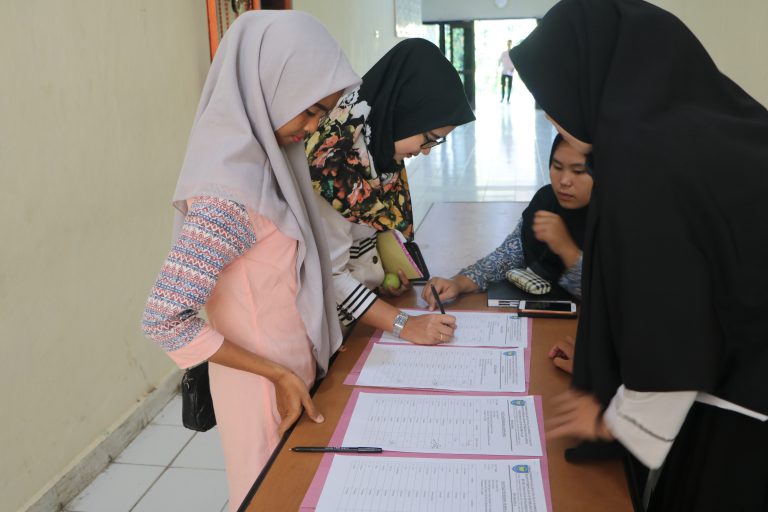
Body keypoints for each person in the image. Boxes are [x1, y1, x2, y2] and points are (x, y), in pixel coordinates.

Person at [510, 1, 768, 510]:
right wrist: (607, 353)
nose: (549, 113)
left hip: (745, 406)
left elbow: (676, 318)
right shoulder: (708, 124)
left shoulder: (646, 160)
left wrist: (614, 418)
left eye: (550, 95)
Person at [140, 11, 360, 509]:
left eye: (323, 115)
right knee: (270, 496)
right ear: (271, 84)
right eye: (311, 111)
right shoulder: (228, 195)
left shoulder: (269, 164)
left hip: (290, 374)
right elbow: (164, 319)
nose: (314, 128)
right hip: (262, 387)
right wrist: (276, 375)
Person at [305, 38, 476, 345]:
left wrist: (382, 274)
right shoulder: (332, 168)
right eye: (429, 137)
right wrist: (405, 325)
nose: (426, 151)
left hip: (360, 317)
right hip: (325, 328)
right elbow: (330, 276)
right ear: (401, 112)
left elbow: (367, 237)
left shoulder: (381, 159)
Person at [422, 134, 591, 317]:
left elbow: (608, 298)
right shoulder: (546, 202)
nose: (564, 181)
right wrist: (458, 283)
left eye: (578, 171)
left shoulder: (612, 220)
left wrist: (567, 249)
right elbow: (508, 256)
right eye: (557, 167)